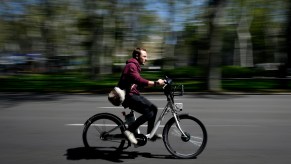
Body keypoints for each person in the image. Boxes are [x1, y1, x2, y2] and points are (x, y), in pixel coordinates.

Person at [118, 47, 165, 144]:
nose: (146, 59)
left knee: (154, 108)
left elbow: (137, 84)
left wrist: (154, 85)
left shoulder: (135, 66)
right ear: (137, 56)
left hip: (134, 95)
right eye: (144, 56)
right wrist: (156, 83)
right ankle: (129, 131)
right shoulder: (131, 66)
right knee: (149, 113)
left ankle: (150, 134)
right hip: (129, 97)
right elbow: (139, 80)